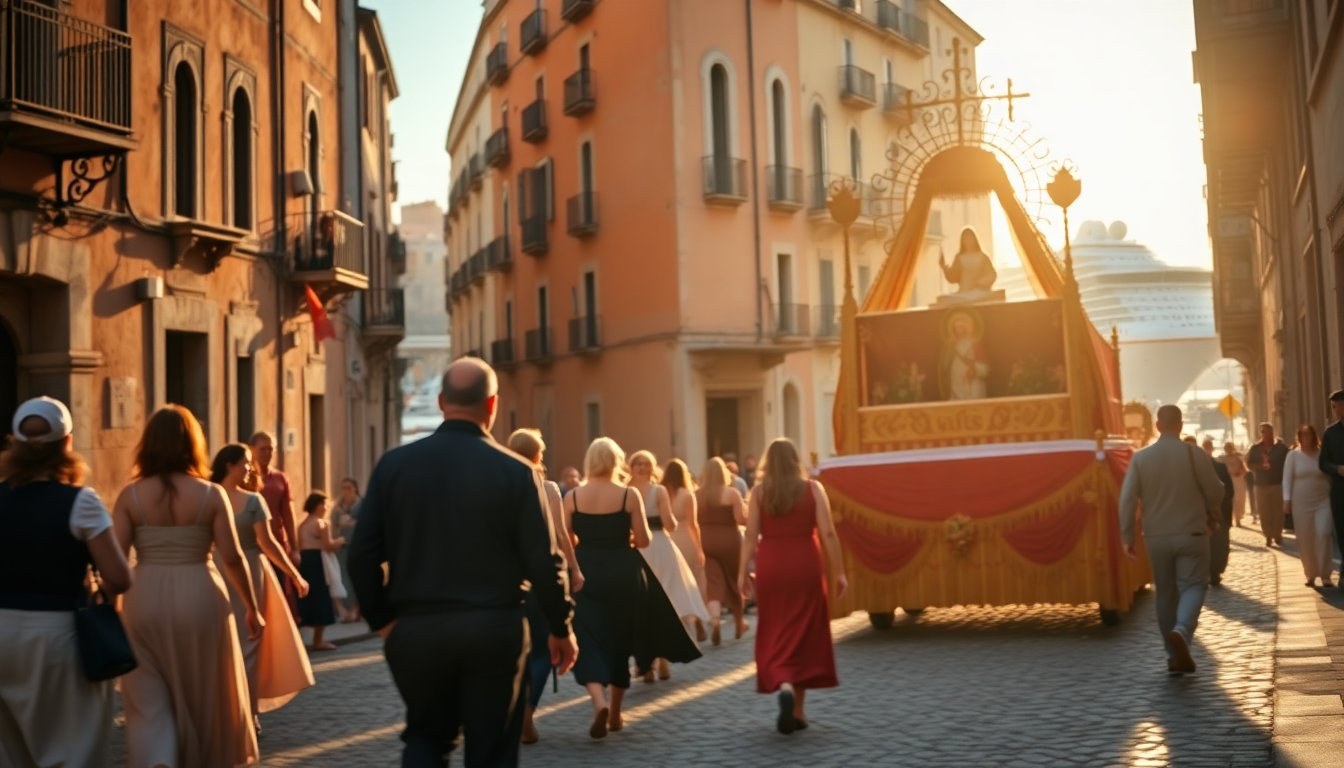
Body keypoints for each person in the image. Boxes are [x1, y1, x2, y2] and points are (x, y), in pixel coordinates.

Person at [348, 357, 577, 768]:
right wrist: (561, 626)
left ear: (440, 402)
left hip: (418, 629)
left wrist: (383, 619)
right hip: (494, 628)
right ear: (491, 406)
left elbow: (361, 554)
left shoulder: (395, 467)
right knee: (491, 750)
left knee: (425, 738)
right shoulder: (517, 473)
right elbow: (544, 561)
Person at [113, 405, 262, 767]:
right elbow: (232, 557)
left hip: (144, 596)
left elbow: (115, 560)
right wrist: (252, 607)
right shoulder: (211, 494)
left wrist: (110, 606)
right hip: (200, 593)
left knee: (147, 699)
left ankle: (158, 759)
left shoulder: (130, 496)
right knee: (206, 692)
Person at [0, 397, 132, 768]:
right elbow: (120, 577)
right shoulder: (80, 502)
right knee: (68, 749)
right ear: (67, 443)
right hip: (56, 634)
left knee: (9, 753)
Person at [565, 437, 700, 739]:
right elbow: (643, 540)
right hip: (623, 571)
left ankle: (597, 701)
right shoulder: (628, 495)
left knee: (587, 637)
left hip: (585, 572)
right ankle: (614, 713)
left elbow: (566, 539)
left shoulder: (573, 497)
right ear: (616, 462)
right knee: (619, 640)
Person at [739, 438, 847, 735]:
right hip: (804, 563)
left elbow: (750, 536)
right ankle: (798, 710)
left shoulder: (759, 493)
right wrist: (839, 572)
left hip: (771, 564)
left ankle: (784, 685)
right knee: (804, 631)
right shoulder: (813, 489)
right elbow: (827, 531)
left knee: (776, 629)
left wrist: (740, 574)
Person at [210, 444, 314, 724]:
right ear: (229, 465)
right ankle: (239, 713)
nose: (250, 467)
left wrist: (293, 573)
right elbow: (265, 544)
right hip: (222, 572)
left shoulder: (250, 499)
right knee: (234, 644)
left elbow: (268, 544)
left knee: (247, 644)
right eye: (245, 462)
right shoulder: (213, 497)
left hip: (243, 571)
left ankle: (247, 712)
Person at [1119, 405, 1225, 676]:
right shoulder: (1194, 454)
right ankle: (1182, 630)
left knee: (1165, 593)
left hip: (1156, 536)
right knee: (1194, 586)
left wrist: (1128, 535)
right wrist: (1211, 511)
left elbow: (1128, 498)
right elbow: (1216, 489)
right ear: (1180, 425)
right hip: (1192, 532)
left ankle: (1172, 655)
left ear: (1157, 425)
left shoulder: (1141, 458)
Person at [505, 428, 583, 746]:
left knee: (514, 651)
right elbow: (561, 538)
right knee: (541, 651)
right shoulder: (548, 488)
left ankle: (509, 710)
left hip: (510, 581)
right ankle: (528, 710)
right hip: (541, 579)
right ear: (538, 456)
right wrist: (574, 569)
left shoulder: (501, 484)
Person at [630, 450, 710, 682]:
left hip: (654, 548)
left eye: (646, 464)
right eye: (639, 463)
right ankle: (652, 662)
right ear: (632, 467)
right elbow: (671, 524)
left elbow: (670, 524)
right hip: (649, 547)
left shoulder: (655, 490)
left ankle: (655, 662)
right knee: (651, 603)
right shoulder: (650, 491)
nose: (643, 468)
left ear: (652, 467)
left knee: (657, 603)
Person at [697, 457, 749, 645]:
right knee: (734, 580)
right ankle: (738, 622)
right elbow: (741, 519)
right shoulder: (732, 493)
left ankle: (716, 620)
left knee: (714, 582)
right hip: (729, 540)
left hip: (707, 540)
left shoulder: (697, 495)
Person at [251, 431, 300, 615]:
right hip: (252, 546)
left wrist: (294, 548)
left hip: (277, 543)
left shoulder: (280, 478)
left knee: (279, 595)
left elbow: (288, 514)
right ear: (252, 450)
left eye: (270, 449)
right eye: (262, 449)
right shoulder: (245, 478)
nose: (267, 453)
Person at [662, 457, 708, 641]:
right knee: (694, 583)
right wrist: (699, 549)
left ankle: (678, 622)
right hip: (687, 541)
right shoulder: (687, 495)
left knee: (673, 584)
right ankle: (697, 618)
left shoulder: (661, 492)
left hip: (669, 541)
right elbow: (693, 524)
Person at [1284, 424, 1336, 588]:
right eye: (1303, 436)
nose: (1307, 439)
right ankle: (1310, 573)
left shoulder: (1322, 454)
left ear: (1315, 437)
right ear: (1299, 438)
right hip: (1301, 501)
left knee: (1323, 533)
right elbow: (1287, 478)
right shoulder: (1293, 455)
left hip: (1323, 500)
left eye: (1309, 435)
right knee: (1306, 537)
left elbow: (1330, 473)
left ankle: (1325, 574)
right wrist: (1287, 500)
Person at [296, 491, 342, 651]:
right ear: (316, 505)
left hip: (305, 561)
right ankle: (318, 640)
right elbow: (327, 545)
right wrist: (341, 541)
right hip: (318, 562)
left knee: (307, 599)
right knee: (321, 598)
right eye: (323, 504)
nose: (325, 508)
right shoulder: (321, 524)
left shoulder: (302, 525)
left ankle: (302, 639)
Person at [1187, 436, 1234, 586]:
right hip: (1196, 516)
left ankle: (1215, 571)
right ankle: (1209, 572)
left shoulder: (1218, 467)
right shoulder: (1182, 470)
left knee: (1219, 545)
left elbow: (1227, 490)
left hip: (1218, 513)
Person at [1246, 422, 1290, 546]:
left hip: (1277, 482)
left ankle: (1277, 534)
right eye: (1262, 432)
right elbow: (1249, 464)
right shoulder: (1255, 448)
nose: (1264, 434)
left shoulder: (1281, 448)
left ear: (1272, 432)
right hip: (1261, 484)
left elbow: (1288, 463)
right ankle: (1268, 535)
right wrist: (1259, 467)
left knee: (1277, 511)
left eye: (1267, 431)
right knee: (1264, 511)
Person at [938, 226, 999, 303]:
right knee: (942, 299)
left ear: (975, 239)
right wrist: (944, 267)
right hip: (964, 293)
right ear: (962, 241)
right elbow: (953, 277)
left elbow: (992, 275)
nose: (968, 241)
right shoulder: (959, 258)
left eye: (970, 238)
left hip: (979, 292)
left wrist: (981, 282)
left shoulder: (983, 257)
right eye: (965, 239)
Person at [332, 477, 362, 622]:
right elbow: (334, 525)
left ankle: (355, 610)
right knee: (343, 579)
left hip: (358, 546)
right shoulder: (338, 507)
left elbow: (367, 524)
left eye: (349, 488)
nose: (346, 491)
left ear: (355, 489)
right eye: (343, 488)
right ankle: (347, 610)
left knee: (357, 578)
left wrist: (352, 523)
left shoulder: (361, 505)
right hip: (342, 547)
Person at [944, 310, 989, 400]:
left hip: (972, 383)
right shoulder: (953, 345)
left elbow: (984, 368)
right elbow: (945, 365)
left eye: (961, 326)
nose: (959, 330)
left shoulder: (974, 343)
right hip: (956, 382)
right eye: (956, 327)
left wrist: (974, 370)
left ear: (968, 327)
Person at [1221, 442, 1250, 527]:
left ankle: (1238, 519)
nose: (1228, 450)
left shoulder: (1238, 456)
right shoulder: (1222, 458)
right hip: (1228, 481)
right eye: (1227, 448)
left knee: (1239, 500)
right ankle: (1231, 519)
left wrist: (1240, 473)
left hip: (1238, 480)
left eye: (1229, 448)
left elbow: (1245, 468)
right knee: (1231, 500)